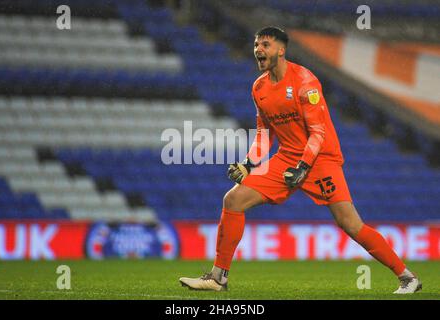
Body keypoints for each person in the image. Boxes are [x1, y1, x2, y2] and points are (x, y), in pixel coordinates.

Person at [179, 26, 421, 294]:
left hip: (320, 159)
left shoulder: (305, 81)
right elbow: (264, 133)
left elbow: (318, 132)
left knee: (350, 224)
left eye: (266, 45)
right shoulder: (259, 88)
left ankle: (407, 277)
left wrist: (303, 167)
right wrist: (247, 164)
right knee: (233, 200)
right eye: (256, 44)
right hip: (286, 158)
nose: (258, 49)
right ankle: (218, 278)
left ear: (281, 50)